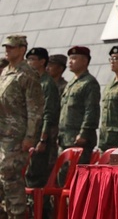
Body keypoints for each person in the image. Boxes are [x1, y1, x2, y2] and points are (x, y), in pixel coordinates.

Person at [0, 35, 43, 219]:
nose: (7, 50)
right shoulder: (7, 72)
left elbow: (36, 109)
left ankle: (18, 214)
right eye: (6, 47)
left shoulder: (27, 74)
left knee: (10, 175)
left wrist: (30, 137)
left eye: (11, 47)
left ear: (22, 49)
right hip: (3, 134)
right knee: (3, 179)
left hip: (16, 136)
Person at [24, 47, 59, 191]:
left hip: (41, 137)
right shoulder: (33, 82)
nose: (29, 63)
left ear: (42, 62)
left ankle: (40, 212)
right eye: (28, 60)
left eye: (32, 60)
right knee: (27, 175)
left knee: (36, 177)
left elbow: (48, 114)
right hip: (31, 135)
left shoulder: (47, 84)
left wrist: (43, 139)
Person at [58, 46, 100, 164]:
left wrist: (83, 134)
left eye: (74, 58)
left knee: (76, 175)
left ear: (85, 61)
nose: (70, 62)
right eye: (69, 58)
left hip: (78, 139)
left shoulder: (89, 83)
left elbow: (91, 110)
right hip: (65, 138)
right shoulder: (71, 83)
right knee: (63, 177)